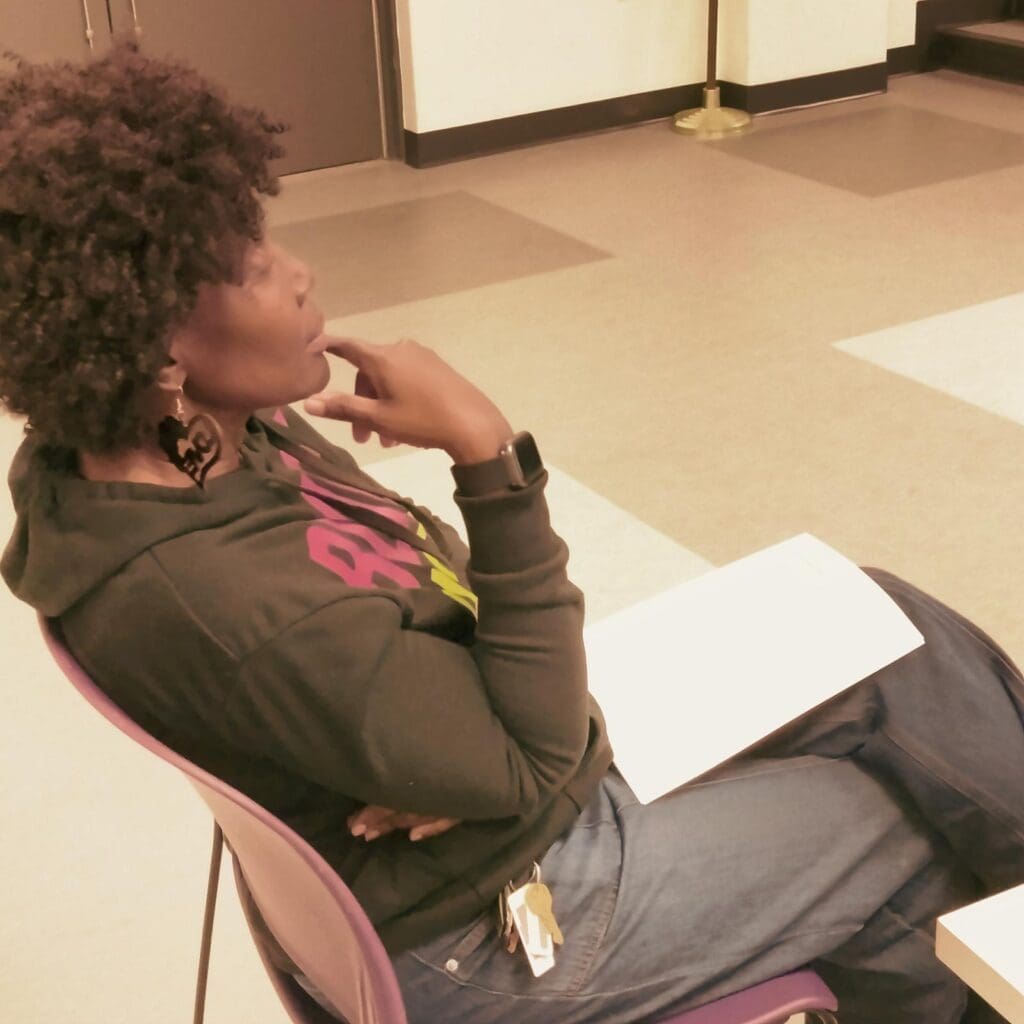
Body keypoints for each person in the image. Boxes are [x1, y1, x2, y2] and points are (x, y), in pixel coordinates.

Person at [2, 37, 1022, 1024]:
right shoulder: (224, 596)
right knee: (908, 816)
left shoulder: (193, 442)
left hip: (497, 783)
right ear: (150, 340)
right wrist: (488, 455)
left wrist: (467, 737)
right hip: (494, 916)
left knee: (886, 625)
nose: (299, 271)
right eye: (248, 264)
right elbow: (527, 758)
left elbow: (437, 585)